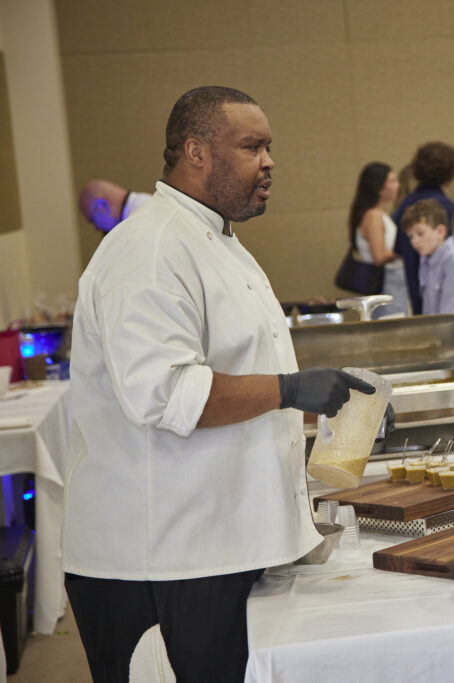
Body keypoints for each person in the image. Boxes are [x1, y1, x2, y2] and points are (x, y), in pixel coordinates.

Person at [65, 85, 377, 682]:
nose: (269, 162)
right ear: (196, 152)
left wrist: (322, 402)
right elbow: (163, 394)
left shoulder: (214, 238)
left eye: (269, 147)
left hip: (216, 541)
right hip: (161, 556)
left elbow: (237, 367)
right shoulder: (151, 248)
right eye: (251, 147)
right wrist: (290, 390)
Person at [401, 198, 454, 369]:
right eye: (411, 236)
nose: (414, 241)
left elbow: (450, 311)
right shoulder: (425, 259)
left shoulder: (453, 258)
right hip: (440, 347)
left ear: (440, 231)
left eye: (420, 233)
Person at [392, 142, 454, 314]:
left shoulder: (404, 204)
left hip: (414, 286)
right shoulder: (444, 206)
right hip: (439, 286)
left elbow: (398, 249)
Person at [348, 161, 409, 318]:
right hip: (387, 285)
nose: (398, 185)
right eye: (392, 181)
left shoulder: (379, 214)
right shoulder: (373, 215)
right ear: (379, 187)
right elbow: (379, 256)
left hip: (393, 284)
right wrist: (405, 249)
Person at [78, 179, 152, 233]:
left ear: (101, 205)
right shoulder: (141, 205)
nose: (96, 228)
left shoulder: (138, 217)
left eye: (93, 221)